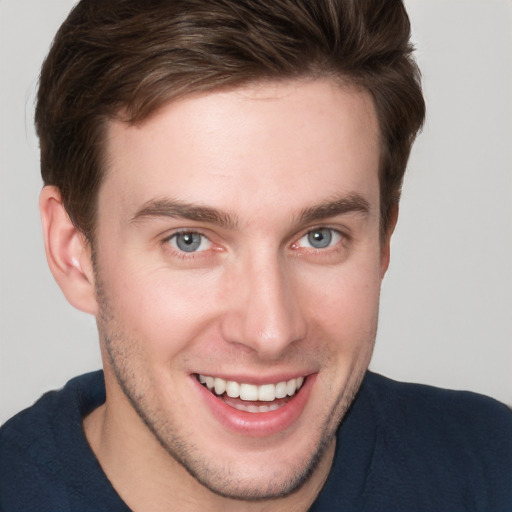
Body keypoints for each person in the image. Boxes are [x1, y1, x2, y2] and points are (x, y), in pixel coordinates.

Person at [0, 0, 510, 510]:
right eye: (189, 241)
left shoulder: (494, 468)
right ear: (74, 254)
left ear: (382, 242)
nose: (270, 332)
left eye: (320, 236)